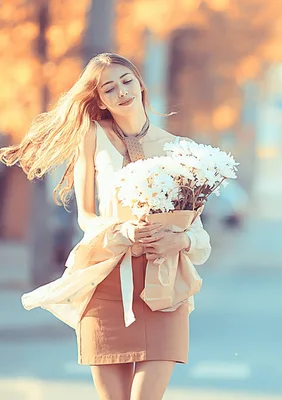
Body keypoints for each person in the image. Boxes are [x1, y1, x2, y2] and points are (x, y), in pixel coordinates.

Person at [0, 53, 212, 400]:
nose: (121, 92)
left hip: (164, 290)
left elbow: (198, 234)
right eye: (108, 88)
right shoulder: (92, 136)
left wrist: (179, 241)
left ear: (140, 84)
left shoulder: (179, 149)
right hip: (107, 282)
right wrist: (122, 231)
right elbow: (86, 216)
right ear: (99, 99)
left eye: (126, 81)